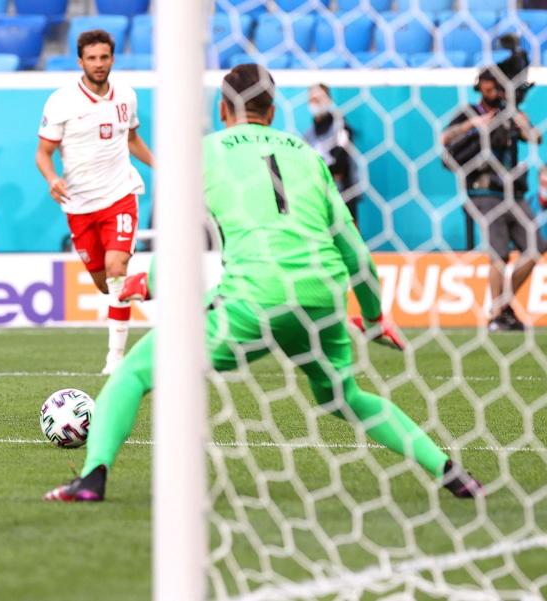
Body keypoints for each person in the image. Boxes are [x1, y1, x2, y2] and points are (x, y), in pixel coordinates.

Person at [45, 64, 484, 502]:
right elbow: (355, 252)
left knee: (133, 372)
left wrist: (153, 281)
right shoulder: (308, 154)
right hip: (323, 295)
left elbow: (179, 235)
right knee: (345, 396)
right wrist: (373, 316)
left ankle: (91, 479)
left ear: (222, 109)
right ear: (272, 111)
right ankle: (449, 471)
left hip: (256, 295)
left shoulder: (205, 152)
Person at [35, 29, 154, 375]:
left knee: (117, 271)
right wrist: (52, 178)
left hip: (120, 195)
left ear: (112, 58)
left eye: (104, 57)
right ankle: (150, 283)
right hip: (80, 206)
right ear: (80, 61)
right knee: (107, 285)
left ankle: (115, 361)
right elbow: (43, 153)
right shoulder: (62, 101)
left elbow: (133, 140)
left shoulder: (127, 97)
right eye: (92, 58)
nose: (99, 64)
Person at [441, 66, 545, 332]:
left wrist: (520, 121)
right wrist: (473, 125)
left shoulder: (510, 112)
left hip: (513, 190)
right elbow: (444, 138)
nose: (493, 90)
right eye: (489, 85)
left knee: (536, 247)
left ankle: (502, 305)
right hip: (484, 190)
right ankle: (498, 314)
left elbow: (535, 138)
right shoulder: (469, 112)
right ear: (480, 86)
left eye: (497, 85)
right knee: (499, 253)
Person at [304, 83, 361, 225]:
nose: (315, 103)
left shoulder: (341, 127)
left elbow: (341, 164)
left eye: (319, 99)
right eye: (312, 100)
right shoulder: (308, 135)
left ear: (328, 100)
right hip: (319, 195)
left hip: (344, 194)